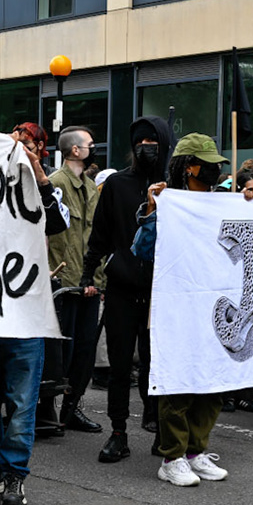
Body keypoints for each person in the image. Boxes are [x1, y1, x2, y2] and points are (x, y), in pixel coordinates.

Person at [0, 128, 71, 505]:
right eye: (10, 139)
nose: (15, 147)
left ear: (39, 150)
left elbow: (56, 224)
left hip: (24, 318)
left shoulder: (45, 191)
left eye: (25, 142)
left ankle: (14, 475)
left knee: (22, 404)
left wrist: (39, 177)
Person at [135, 135, 233, 486]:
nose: (216, 169)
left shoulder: (225, 203)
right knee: (177, 381)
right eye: (208, 163)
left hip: (217, 305)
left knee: (212, 381)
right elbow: (143, 251)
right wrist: (152, 211)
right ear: (190, 166)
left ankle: (196, 451)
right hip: (177, 306)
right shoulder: (168, 202)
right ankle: (172, 457)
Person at [81, 115, 172, 463]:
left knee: (156, 364)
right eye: (140, 143)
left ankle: (159, 424)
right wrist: (89, 273)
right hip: (122, 287)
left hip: (161, 293)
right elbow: (100, 232)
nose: (146, 148)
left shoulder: (175, 188)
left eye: (153, 142)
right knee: (120, 365)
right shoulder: (117, 185)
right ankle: (118, 431)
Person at [47, 127, 104, 434]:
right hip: (65, 281)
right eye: (89, 145)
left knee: (84, 351)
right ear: (74, 151)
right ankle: (50, 410)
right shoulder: (56, 183)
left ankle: (72, 409)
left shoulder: (91, 187)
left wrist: (97, 275)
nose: (93, 148)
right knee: (61, 351)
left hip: (90, 280)